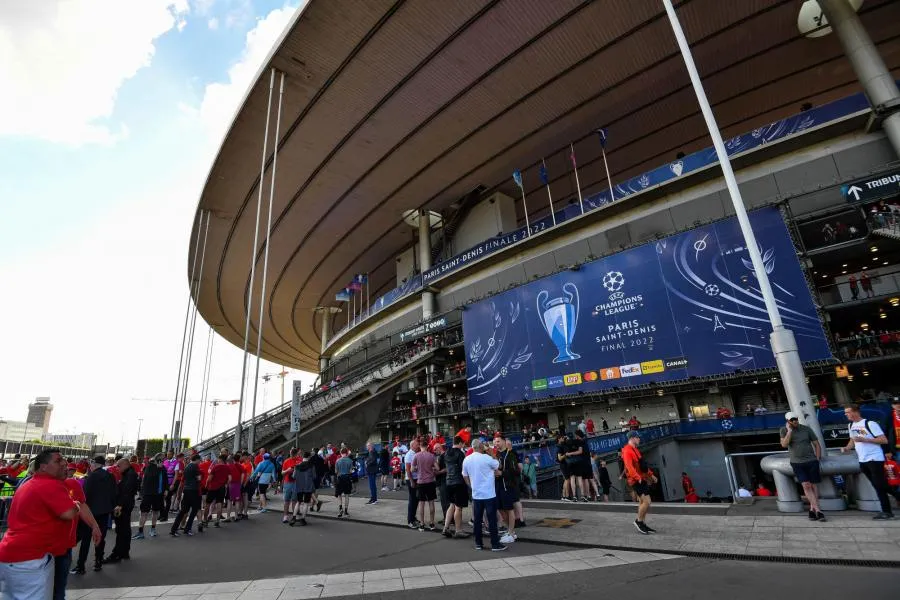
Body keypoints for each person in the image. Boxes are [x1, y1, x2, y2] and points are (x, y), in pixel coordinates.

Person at [0, 450, 83, 600]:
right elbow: (69, 512)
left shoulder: (29, 483)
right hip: (31, 560)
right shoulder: (49, 484)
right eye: (58, 461)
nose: (64, 463)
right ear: (43, 467)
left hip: (12, 555)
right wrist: (76, 505)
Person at [841, 404, 894, 519]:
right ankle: (887, 510)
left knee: (880, 485)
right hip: (863, 459)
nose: (846, 414)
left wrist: (865, 439)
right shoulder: (851, 425)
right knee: (878, 485)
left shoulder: (869, 423)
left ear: (855, 412)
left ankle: (887, 511)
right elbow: (853, 440)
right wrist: (846, 448)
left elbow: (883, 440)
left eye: (847, 412)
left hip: (875, 458)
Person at [72, 456, 116, 574]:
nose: (90, 466)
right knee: (100, 537)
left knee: (85, 539)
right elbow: (114, 493)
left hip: (91, 512)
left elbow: (84, 495)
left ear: (95, 464)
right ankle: (98, 562)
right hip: (104, 512)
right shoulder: (110, 476)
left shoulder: (91, 476)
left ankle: (81, 566)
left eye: (91, 463)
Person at [779, 412, 825, 521]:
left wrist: (817, 458)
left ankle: (812, 509)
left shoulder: (806, 429)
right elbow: (784, 444)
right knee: (806, 485)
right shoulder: (783, 430)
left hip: (811, 460)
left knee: (813, 486)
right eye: (792, 420)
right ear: (788, 421)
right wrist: (789, 432)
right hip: (797, 462)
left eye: (796, 419)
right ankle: (818, 510)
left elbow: (816, 444)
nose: (795, 421)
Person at [462, 439, 505, 552]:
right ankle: (495, 544)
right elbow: (498, 466)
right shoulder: (487, 458)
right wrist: (491, 453)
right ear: (481, 447)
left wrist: (470, 486)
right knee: (492, 520)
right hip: (489, 494)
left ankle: (478, 543)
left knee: (477, 520)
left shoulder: (467, 459)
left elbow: (464, 475)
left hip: (476, 495)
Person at [622, 431, 657, 534]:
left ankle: (642, 523)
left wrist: (651, 475)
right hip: (636, 480)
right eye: (638, 438)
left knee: (642, 502)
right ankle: (639, 522)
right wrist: (638, 478)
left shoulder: (635, 450)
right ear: (632, 438)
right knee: (647, 501)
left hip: (641, 478)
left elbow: (643, 466)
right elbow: (629, 467)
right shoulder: (627, 451)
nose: (639, 439)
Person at [105, 458, 138, 564]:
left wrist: (120, 505)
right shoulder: (129, 474)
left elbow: (127, 491)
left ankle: (117, 554)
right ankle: (124, 552)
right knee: (124, 529)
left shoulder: (130, 475)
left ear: (125, 465)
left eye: (119, 466)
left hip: (124, 506)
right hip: (125, 505)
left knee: (121, 530)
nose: (117, 468)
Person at [133, 453, 168, 539]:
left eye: (164, 459)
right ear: (158, 460)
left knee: (156, 511)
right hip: (149, 493)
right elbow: (150, 478)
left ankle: (153, 529)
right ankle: (140, 531)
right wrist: (159, 468)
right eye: (162, 459)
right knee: (144, 512)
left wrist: (166, 489)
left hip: (158, 494)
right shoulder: (149, 467)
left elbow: (165, 479)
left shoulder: (163, 468)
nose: (164, 461)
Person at [441, 436, 469, 539]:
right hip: (458, 482)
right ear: (460, 443)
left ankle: (446, 528)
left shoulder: (446, 453)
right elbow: (464, 469)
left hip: (448, 481)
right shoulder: (460, 454)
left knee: (451, 505)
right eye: (463, 443)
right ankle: (458, 530)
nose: (463, 445)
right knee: (458, 507)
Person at [170, 454, 203, 537]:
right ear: (197, 459)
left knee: (183, 510)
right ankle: (187, 529)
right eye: (199, 460)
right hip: (194, 490)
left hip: (186, 490)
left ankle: (174, 529)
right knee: (194, 510)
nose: (200, 462)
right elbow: (199, 478)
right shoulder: (195, 467)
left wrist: (179, 492)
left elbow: (183, 480)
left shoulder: (187, 467)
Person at [496, 436, 520, 544]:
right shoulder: (496, 454)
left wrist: (502, 473)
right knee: (501, 509)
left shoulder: (510, 454)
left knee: (509, 509)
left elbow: (516, 471)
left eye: (498, 441)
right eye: (494, 442)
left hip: (508, 486)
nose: (496, 443)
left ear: (504, 442)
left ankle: (511, 533)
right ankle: (510, 531)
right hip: (498, 486)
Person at [412, 442, 438, 531]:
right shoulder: (431, 456)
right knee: (431, 502)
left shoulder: (416, 455)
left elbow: (412, 469)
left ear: (420, 446)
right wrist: (432, 469)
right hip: (430, 481)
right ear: (427, 446)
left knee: (421, 503)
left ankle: (422, 524)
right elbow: (437, 468)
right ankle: (432, 523)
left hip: (421, 482)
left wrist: (418, 468)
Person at [289, 452, 317, 526]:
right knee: (306, 503)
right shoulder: (311, 466)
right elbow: (314, 476)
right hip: (308, 486)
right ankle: (303, 519)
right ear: (309, 457)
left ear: (303, 457)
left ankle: (294, 517)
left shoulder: (297, 466)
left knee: (298, 502)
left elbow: (294, 476)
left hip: (299, 486)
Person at [203, 454, 231, 528]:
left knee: (207, 504)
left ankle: (205, 521)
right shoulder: (227, 467)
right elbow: (230, 478)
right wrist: (225, 483)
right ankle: (217, 521)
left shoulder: (215, 467)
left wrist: (206, 485)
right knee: (219, 504)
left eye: (218, 459)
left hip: (213, 487)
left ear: (220, 459)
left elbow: (209, 478)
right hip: (222, 488)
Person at [405, 439, 421, 528]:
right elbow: (408, 469)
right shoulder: (409, 455)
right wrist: (411, 481)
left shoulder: (415, 453)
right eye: (416, 445)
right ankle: (410, 520)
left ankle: (413, 517)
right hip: (412, 479)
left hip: (416, 478)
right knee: (412, 500)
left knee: (416, 499)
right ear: (412, 446)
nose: (418, 445)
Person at [335, 448, 354, 518]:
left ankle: (340, 509)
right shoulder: (350, 461)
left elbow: (336, 472)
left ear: (341, 453)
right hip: (347, 478)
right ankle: (346, 511)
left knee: (339, 494)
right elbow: (351, 471)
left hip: (340, 478)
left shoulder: (337, 461)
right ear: (347, 453)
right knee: (347, 495)